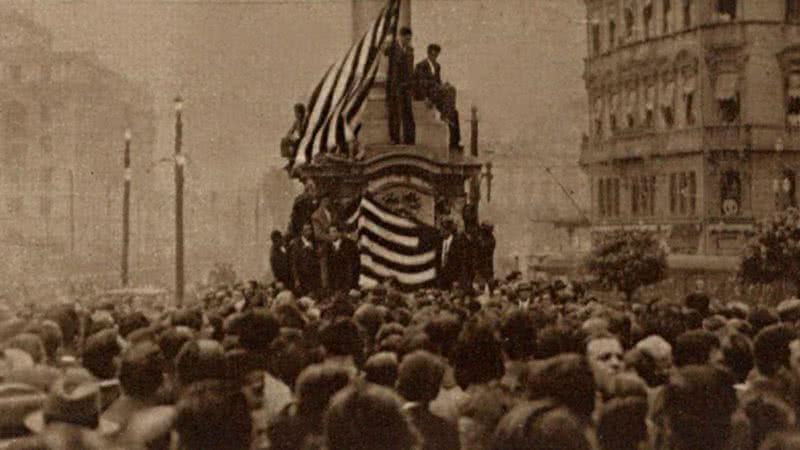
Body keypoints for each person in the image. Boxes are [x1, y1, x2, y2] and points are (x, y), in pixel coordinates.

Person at [415, 43, 462, 150]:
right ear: (428, 54)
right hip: (428, 93)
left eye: (436, 55)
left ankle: (454, 142)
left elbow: (438, 82)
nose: (435, 57)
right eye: (433, 54)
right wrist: (425, 98)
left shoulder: (437, 66)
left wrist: (442, 85)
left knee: (454, 113)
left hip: (436, 93)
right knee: (451, 89)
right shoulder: (421, 65)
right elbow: (420, 84)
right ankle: (445, 114)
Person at [385, 26, 415, 145]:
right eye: (406, 39)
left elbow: (410, 68)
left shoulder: (409, 50)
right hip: (395, 86)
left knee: (408, 112)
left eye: (409, 39)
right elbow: (385, 51)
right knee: (395, 113)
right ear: (401, 37)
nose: (408, 41)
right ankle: (395, 138)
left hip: (406, 86)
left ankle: (409, 139)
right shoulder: (393, 48)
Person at [323, 223, 359, 293]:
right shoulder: (328, 247)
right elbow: (328, 267)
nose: (331, 234)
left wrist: (351, 285)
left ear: (339, 233)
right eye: (330, 232)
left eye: (334, 231)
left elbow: (354, 265)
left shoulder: (349, 245)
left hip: (348, 284)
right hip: (335, 286)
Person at [290, 223, 322, 297]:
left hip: (313, 277)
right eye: (306, 230)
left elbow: (317, 259)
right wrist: (296, 279)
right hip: (302, 278)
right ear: (302, 232)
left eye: (310, 229)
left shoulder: (314, 242)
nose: (309, 232)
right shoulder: (296, 244)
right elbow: (294, 263)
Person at [437, 220, 469, 290]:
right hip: (442, 278)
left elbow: (462, 262)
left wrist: (458, 280)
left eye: (442, 230)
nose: (440, 232)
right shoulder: (439, 242)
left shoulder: (458, 243)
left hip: (454, 279)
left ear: (448, 231)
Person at [282, 103, 307, 168]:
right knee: (285, 141)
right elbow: (291, 130)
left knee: (295, 143)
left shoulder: (305, 120)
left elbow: (303, 131)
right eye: (295, 112)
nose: (295, 114)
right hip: (299, 137)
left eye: (297, 112)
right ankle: (290, 159)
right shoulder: (297, 121)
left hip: (304, 137)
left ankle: (292, 161)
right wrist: (288, 135)